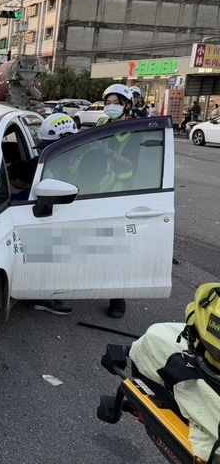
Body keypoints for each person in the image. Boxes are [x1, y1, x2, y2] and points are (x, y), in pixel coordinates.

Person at [26, 114, 79, 316]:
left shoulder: (82, 160)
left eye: (50, 146)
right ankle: (40, 295)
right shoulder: (43, 159)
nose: (44, 150)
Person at [96, 83, 137, 319]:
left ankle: (117, 297)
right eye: (108, 103)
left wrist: (108, 153)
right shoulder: (101, 125)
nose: (111, 107)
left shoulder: (134, 131)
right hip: (96, 189)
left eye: (116, 103)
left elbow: (132, 164)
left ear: (127, 106)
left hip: (121, 194)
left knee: (117, 249)